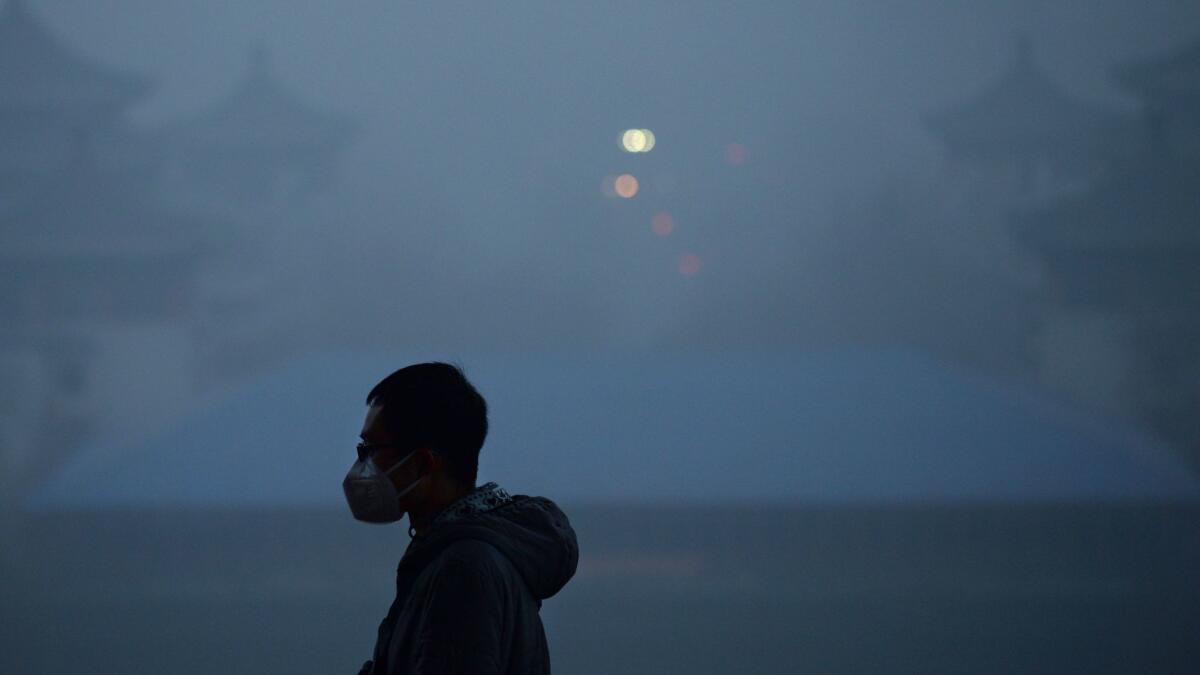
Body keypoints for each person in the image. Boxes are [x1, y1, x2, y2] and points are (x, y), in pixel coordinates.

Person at [345, 362, 578, 675]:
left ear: (423, 463)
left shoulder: (464, 569)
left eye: (370, 449)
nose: (362, 465)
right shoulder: (460, 553)